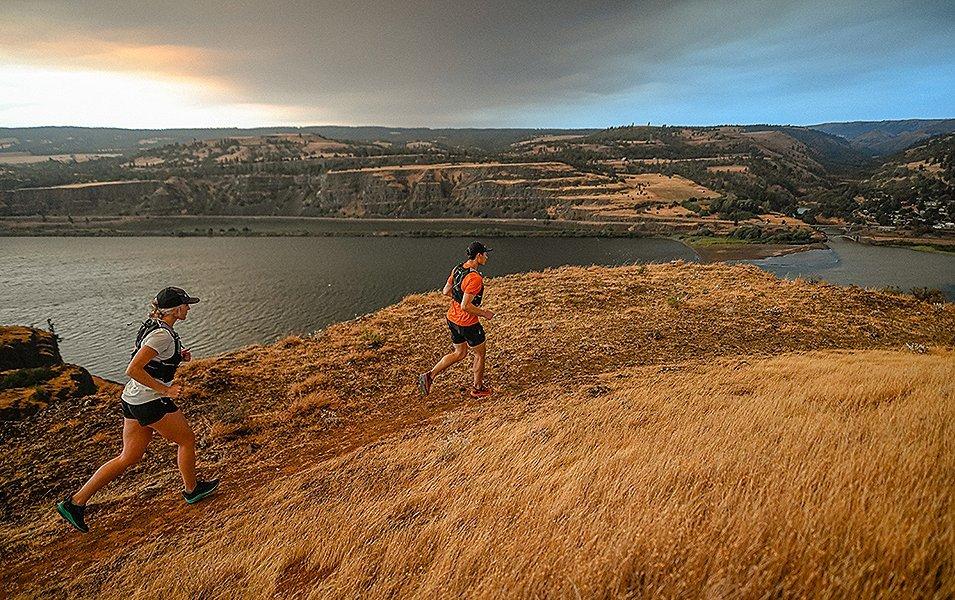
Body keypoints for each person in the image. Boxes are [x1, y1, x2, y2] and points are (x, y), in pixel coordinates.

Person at [56, 287, 219, 533]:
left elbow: (149, 358)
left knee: (129, 457)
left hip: (132, 399)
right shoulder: (161, 336)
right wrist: (165, 390)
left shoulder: (155, 327)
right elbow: (133, 369)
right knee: (186, 440)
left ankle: (75, 503)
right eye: (185, 304)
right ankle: (192, 490)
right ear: (175, 309)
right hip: (149, 401)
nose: (188, 308)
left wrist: (177, 356)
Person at [418, 241, 495, 398]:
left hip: (452, 318)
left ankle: (429, 376)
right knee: (480, 354)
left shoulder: (458, 268)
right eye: (485, 253)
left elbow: (446, 290)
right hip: (468, 323)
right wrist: (484, 313)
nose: (487, 256)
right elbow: (466, 306)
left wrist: (459, 298)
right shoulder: (475, 278)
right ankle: (477, 388)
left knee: (460, 353)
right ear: (478, 255)